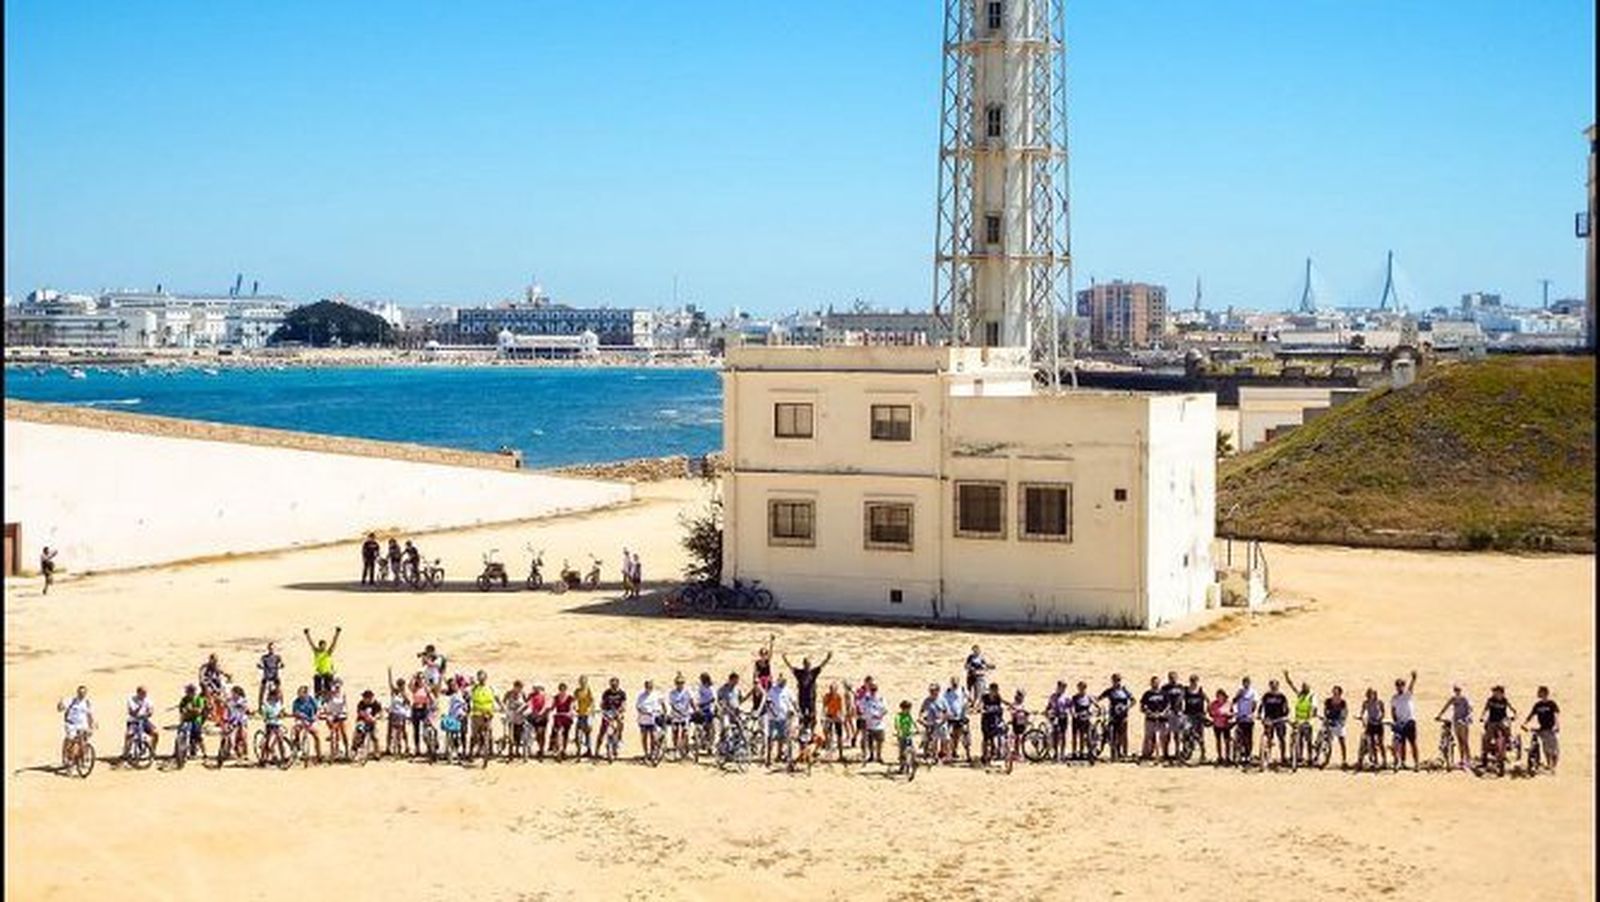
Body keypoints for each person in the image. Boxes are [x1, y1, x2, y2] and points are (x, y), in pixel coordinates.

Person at [782, 650, 833, 731]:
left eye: (808, 664)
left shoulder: (813, 672)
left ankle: (812, 733)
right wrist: (785, 659)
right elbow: (790, 667)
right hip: (802, 698)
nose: (807, 666)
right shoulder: (799, 673)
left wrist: (828, 658)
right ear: (803, 664)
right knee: (801, 716)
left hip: (811, 699)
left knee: (812, 717)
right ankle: (801, 732)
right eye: (806, 664)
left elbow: (822, 666)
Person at [1523, 686, 1561, 772]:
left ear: (1545, 693)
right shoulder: (1538, 705)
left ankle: (1554, 766)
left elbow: (1556, 715)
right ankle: (1549, 764)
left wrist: (1557, 725)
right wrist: (1525, 723)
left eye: (1540, 692)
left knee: (1554, 749)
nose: (1538, 693)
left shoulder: (1552, 704)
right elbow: (1531, 715)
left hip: (1551, 729)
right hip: (1542, 729)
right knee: (1545, 748)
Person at [1281, 671, 1316, 763]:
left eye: (1305, 687)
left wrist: (1308, 718)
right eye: (1303, 687)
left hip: (1308, 721)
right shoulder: (1300, 695)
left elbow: (1312, 708)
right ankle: (1299, 756)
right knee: (1299, 739)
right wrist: (1287, 678)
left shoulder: (1312, 696)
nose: (1304, 688)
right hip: (1298, 720)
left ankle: (1310, 758)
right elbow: (1292, 687)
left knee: (1308, 741)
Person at [1435, 685, 1473, 770]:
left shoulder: (1464, 699)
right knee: (1459, 741)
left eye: (1458, 690)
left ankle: (1469, 760)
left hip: (1463, 722)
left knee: (1465, 742)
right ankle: (1462, 760)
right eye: (1455, 690)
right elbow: (1445, 707)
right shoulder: (1453, 699)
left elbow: (1469, 710)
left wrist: (1467, 719)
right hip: (1456, 722)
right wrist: (1439, 715)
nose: (1457, 692)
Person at [1479, 685, 1516, 769]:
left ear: (1502, 693)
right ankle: (1485, 753)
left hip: (1502, 720)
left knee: (1507, 726)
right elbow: (1485, 709)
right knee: (1487, 737)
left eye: (1498, 692)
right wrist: (1482, 716)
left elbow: (1512, 709)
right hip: (1492, 720)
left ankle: (1508, 741)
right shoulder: (1490, 700)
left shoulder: (1504, 701)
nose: (1496, 694)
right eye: (1495, 692)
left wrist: (1514, 715)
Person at [762, 674, 796, 766]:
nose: (784, 683)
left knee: (782, 737)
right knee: (771, 737)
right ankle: (768, 757)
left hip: (783, 717)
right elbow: (768, 702)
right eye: (782, 681)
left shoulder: (788, 690)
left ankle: (779, 755)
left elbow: (793, 701)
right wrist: (772, 712)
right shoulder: (772, 690)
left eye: (785, 681)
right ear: (779, 681)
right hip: (772, 718)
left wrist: (794, 711)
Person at [1098, 674, 1134, 761]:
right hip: (1113, 717)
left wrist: (1127, 707)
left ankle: (1124, 753)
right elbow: (1099, 698)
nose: (1117, 682)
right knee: (1113, 736)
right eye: (1115, 680)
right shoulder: (1110, 691)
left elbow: (1133, 700)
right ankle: (1114, 754)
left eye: (1118, 680)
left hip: (1123, 716)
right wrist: (1100, 708)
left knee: (1123, 736)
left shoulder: (1125, 690)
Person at [1389, 670, 1419, 771]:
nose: (1399, 687)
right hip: (1400, 723)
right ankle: (1403, 762)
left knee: (1413, 743)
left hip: (1410, 721)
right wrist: (1395, 721)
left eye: (1401, 685)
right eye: (1398, 685)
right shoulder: (1394, 698)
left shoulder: (1407, 695)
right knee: (1402, 744)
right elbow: (1393, 711)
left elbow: (1411, 687)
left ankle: (1416, 763)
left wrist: (1413, 679)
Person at [58, 685, 94, 766]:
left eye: (84, 693)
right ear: (77, 693)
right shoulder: (71, 701)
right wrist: (60, 705)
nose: (82, 694)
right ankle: (66, 756)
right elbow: (61, 708)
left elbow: (90, 715)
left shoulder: (87, 702)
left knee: (84, 738)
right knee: (70, 739)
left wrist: (91, 725)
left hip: (82, 724)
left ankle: (83, 757)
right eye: (80, 693)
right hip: (71, 723)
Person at [304, 626, 342, 701]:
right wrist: (307, 634)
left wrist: (337, 633)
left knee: (328, 688)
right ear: (319, 646)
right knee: (317, 689)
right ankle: (317, 700)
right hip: (319, 673)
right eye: (321, 646)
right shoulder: (316, 652)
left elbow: (333, 643)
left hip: (327, 673)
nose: (323, 647)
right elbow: (311, 643)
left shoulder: (328, 652)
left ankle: (328, 701)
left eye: (324, 646)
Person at [1259, 679, 1289, 766]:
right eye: (1272, 686)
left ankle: (1283, 757)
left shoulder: (1282, 696)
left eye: (1275, 686)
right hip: (1269, 719)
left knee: (1281, 738)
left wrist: (1285, 715)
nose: (1273, 687)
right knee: (1269, 738)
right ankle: (1268, 757)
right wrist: (1259, 714)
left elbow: (1286, 707)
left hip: (1279, 719)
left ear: (1278, 686)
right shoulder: (1266, 696)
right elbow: (1261, 706)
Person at [468, 671, 498, 755]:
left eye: (483, 678)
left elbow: (496, 698)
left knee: (490, 732)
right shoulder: (474, 688)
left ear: (486, 678)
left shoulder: (491, 688)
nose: (481, 679)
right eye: (480, 678)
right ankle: (470, 751)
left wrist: (502, 707)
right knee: (474, 735)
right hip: (476, 714)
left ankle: (491, 751)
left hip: (488, 714)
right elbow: (468, 698)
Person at [942, 678, 972, 763]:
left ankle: (968, 754)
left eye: (956, 682)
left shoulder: (962, 690)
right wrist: (947, 712)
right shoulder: (947, 692)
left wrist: (967, 706)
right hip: (951, 718)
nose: (955, 684)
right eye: (953, 682)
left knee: (965, 736)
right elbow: (944, 703)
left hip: (962, 717)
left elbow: (970, 700)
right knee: (952, 736)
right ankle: (952, 753)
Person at [1138, 676, 1168, 760]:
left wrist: (1163, 713)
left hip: (1162, 719)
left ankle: (1164, 754)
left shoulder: (1164, 693)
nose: (1156, 684)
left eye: (1157, 682)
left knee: (1163, 737)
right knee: (1148, 737)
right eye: (1154, 682)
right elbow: (1142, 706)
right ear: (1151, 683)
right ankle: (1146, 754)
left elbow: (1168, 705)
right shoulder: (1147, 694)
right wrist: (1149, 713)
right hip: (1150, 719)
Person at [291, 685, 322, 762]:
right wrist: (299, 715)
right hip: (301, 720)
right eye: (299, 693)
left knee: (317, 735)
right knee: (296, 730)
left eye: (302, 693)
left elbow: (317, 710)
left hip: (311, 720)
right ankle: (297, 746)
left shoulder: (311, 700)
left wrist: (316, 716)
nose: (300, 695)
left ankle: (319, 755)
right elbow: (295, 712)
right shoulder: (296, 702)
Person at [124, 685, 158, 758]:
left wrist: (149, 713)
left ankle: (153, 751)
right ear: (138, 692)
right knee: (129, 734)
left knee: (155, 733)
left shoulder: (148, 700)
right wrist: (138, 707)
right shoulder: (131, 699)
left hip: (144, 720)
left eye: (145, 693)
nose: (144, 695)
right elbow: (131, 712)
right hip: (133, 721)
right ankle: (126, 752)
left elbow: (151, 711)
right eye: (143, 693)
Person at [636, 679, 664, 761]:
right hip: (643, 719)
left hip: (653, 719)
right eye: (648, 686)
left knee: (653, 737)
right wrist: (644, 712)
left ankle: (652, 753)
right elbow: (638, 707)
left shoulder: (657, 695)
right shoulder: (641, 696)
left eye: (650, 686)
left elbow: (662, 704)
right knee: (644, 737)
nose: (649, 688)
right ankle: (646, 753)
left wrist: (664, 712)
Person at [667, 674, 695, 758]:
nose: (680, 684)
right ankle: (676, 748)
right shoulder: (672, 693)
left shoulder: (688, 692)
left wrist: (695, 710)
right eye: (678, 683)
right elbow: (672, 704)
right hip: (676, 715)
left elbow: (692, 701)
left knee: (685, 733)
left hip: (685, 715)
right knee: (675, 732)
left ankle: (684, 749)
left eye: (682, 683)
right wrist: (677, 711)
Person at [1182, 675, 1209, 762]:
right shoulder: (1186, 690)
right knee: (1186, 732)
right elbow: (1180, 700)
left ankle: (1203, 754)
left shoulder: (1201, 690)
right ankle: (1187, 751)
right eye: (1192, 681)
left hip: (1199, 715)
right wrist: (1180, 711)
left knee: (1200, 735)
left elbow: (1208, 700)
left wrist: (1206, 711)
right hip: (1188, 715)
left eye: (1195, 681)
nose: (1193, 683)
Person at [919, 684, 949, 763]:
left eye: (933, 690)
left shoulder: (942, 700)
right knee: (934, 741)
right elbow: (922, 710)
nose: (931, 692)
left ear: (938, 691)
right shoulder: (927, 700)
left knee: (944, 740)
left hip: (941, 723)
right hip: (931, 723)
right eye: (930, 691)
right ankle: (935, 756)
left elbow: (947, 712)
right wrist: (921, 719)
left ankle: (942, 755)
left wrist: (942, 720)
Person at [1232, 677, 1259, 764]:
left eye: (1247, 683)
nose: (1245, 684)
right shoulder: (1240, 691)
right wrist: (1238, 695)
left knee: (1248, 737)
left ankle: (1248, 754)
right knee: (1240, 736)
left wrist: (1251, 712)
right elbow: (1234, 701)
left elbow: (1255, 703)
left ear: (1249, 683)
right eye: (1244, 683)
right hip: (1240, 717)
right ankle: (1241, 753)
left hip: (1248, 717)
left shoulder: (1253, 692)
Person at [1068, 681, 1097, 760]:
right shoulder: (1075, 697)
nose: (1081, 689)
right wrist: (1073, 713)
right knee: (1074, 736)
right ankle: (1074, 752)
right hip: (1077, 718)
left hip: (1085, 718)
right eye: (1080, 688)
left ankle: (1081, 752)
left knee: (1082, 736)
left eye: (1083, 688)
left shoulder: (1088, 697)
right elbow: (1072, 707)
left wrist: (1096, 710)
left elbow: (1095, 704)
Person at [1160, 671, 1186, 758]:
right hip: (1169, 713)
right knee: (1167, 734)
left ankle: (1177, 752)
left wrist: (1182, 711)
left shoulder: (1181, 687)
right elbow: (1162, 700)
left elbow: (1183, 698)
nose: (1173, 679)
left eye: (1174, 678)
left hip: (1178, 712)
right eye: (1171, 678)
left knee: (1177, 734)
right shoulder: (1164, 688)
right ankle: (1165, 753)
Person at [178, 684, 208, 760]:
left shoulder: (199, 699)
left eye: (190, 691)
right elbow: (181, 709)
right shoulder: (184, 699)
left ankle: (204, 753)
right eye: (187, 691)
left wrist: (190, 709)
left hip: (196, 719)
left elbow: (199, 711)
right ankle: (178, 751)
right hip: (186, 719)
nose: (188, 693)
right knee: (180, 733)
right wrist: (185, 711)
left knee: (197, 735)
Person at [599, 677, 627, 757]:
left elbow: (624, 703)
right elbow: (602, 703)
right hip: (608, 712)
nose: (613, 686)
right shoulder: (606, 693)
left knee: (621, 723)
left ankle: (619, 738)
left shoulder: (622, 693)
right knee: (602, 729)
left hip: (617, 712)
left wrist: (621, 710)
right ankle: (597, 749)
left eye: (615, 684)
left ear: (618, 684)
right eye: (612, 684)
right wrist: (602, 710)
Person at [1359, 688, 1386, 770]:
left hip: (1378, 724)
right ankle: (1376, 761)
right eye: (1369, 694)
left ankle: (1384, 760)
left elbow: (1383, 712)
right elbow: (1362, 711)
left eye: (1371, 694)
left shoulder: (1379, 702)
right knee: (1372, 743)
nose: (1370, 696)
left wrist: (1380, 718)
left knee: (1381, 743)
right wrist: (1362, 718)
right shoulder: (1365, 703)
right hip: (1370, 724)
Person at [1323, 685, 1349, 768]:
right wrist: (1327, 719)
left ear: (1340, 694)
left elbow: (1345, 713)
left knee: (1342, 742)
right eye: (1334, 692)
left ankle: (1344, 760)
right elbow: (1325, 711)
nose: (1334, 694)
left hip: (1339, 724)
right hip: (1330, 723)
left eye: (1336, 693)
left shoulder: (1343, 702)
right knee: (1329, 743)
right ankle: (1327, 760)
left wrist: (1341, 721)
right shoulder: (1328, 701)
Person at [979, 682, 1006, 763]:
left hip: (995, 719)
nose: (995, 692)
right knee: (986, 738)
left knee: (996, 736)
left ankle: (995, 752)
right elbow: (979, 704)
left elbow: (1004, 702)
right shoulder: (985, 697)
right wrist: (979, 709)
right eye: (993, 690)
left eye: (996, 690)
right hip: (986, 720)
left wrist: (1011, 705)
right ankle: (984, 755)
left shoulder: (998, 697)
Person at [860, 685, 887, 764]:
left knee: (880, 741)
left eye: (874, 690)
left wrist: (880, 715)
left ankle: (879, 756)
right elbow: (861, 707)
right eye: (872, 690)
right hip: (870, 723)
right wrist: (866, 715)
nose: (873, 692)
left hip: (879, 724)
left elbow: (885, 710)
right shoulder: (866, 699)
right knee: (870, 742)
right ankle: (871, 755)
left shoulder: (881, 698)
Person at [322, 679, 350, 758]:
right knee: (334, 732)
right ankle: (334, 752)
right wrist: (325, 712)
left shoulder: (343, 694)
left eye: (338, 686)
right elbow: (324, 704)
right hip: (332, 715)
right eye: (335, 686)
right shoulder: (329, 695)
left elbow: (345, 705)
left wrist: (345, 713)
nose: (337, 688)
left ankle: (347, 751)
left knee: (344, 732)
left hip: (341, 714)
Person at [260, 688, 288, 763]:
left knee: (280, 740)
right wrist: (266, 717)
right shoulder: (266, 704)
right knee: (267, 741)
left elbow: (282, 710)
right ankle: (263, 758)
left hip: (278, 724)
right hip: (270, 724)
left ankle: (283, 757)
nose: (278, 697)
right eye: (277, 696)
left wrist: (282, 714)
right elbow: (264, 714)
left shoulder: (279, 703)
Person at [1046, 680, 1072, 761]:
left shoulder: (1067, 697)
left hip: (1063, 717)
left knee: (1063, 735)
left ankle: (1062, 753)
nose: (1062, 689)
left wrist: (1071, 712)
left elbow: (1070, 706)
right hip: (1055, 717)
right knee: (1055, 735)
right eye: (1061, 687)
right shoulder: (1053, 696)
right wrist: (1047, 711)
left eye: (1064, 687)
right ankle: (1056, 753)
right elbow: (1049, 706)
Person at [407, 675, 433, 755]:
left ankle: (429, 747)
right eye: (419, 679)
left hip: (424, 709)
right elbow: (409, 686)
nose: (421, 680)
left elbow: (432, 699)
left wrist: (429, 701)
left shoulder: (426, 688)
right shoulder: (415, 688)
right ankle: (417, 748)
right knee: (416, 730)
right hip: (415, 709)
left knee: (426, 730)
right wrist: (413, 677)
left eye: (422, 678)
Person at [575, 675, 598, 757]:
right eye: (581, 681)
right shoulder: (577, 691)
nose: (582, 683)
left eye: (584, 681)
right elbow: (575, 701)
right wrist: (574, 708)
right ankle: (579, 750)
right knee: (578, 734)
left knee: (587, 733)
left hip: (587, 715)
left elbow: (592, 701)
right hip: (580, 714)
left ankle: (589, 750)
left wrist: (591, 710)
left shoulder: (588, 690)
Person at [551, 682, 575, 758]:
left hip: (566, 717)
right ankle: (559, 750)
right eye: (561, 689)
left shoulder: (570, 698)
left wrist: (570, 713)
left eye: (564, 690)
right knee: (559, 732)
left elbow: (571, 707)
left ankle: (564, 750)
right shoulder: (556, 697)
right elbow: (553, 707)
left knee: (566, 735)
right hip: (559, 717)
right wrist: (549, 710)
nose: (562, 691)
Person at [387, 679, 411, 756]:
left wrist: (407, 714)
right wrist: (389, 673)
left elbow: (408, 703)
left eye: (402, 685)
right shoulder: (394, 692)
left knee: (403, 731)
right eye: (400, 685)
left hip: (401, 714)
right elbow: (390, 684)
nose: (401, 687)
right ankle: (389, 747)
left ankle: (405, 746)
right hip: (393, 713)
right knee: (390, 731)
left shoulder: (405, 694)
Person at [1208, 688, 1232, 763]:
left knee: (1227, 741)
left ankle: (1227, 757)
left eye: (1221, 696)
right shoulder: (1214, 704)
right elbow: (1210, 713)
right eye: (1218, 696)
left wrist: (1228, 715)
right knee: (1218, 741)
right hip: (1217, 724)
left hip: (1225, 725)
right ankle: (1220, 756)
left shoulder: (1228, 703)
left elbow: (1232, 713)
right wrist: (1215, 714)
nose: (1219, 697)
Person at [257, 642, 284, 708]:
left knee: (280, 692)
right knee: (262, 692)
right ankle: (260, 707)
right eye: (270, 648)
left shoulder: (277, 657)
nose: (271, 649)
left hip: (275, 675)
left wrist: (281, 666)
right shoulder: (264, 657)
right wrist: (260, 666)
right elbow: (260, 663)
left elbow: (281, 664)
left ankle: (282, 706)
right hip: (266, 676)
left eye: (272, 648)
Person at [355, 689, 382, 755]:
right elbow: (359, 712)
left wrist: (375, 718)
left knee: (375, 737)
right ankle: (355, 748)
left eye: (366, 697)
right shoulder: (361, 703)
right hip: (362, 721)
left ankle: (377, 752)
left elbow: (380, 713)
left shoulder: (376, 703)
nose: (364, 699)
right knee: (359, 732)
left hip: (372, 722)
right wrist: (366, 717)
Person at [528, 683, 551, 756]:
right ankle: (540, 748)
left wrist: (540, 713)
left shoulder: (545, 695)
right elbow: (529, 703)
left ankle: (542, 749)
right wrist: (533, 712)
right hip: (534, 716)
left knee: (542, 733)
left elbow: (546, 705)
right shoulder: (531, 695)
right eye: (535, 688)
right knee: (537, 734)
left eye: (537, 688)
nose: (536, 689)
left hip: (543, 717)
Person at [894, 700, 916, 768]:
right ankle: (902, 765)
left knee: (913, 748)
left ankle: (912, 761)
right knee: (902, 750)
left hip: (909, 734)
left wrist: (917, 729)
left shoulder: (909, 715)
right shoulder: (898, 716)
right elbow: (897, 724)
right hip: (902, 735)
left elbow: (913, 722)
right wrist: (899, 731)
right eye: (908, 708)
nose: (909, 710)